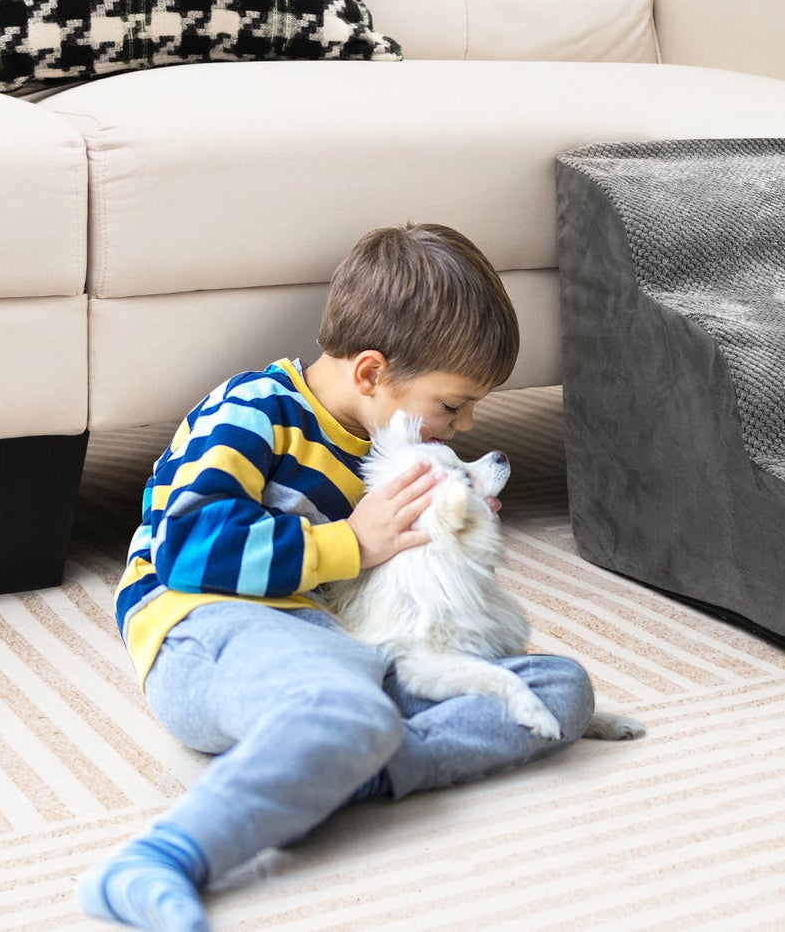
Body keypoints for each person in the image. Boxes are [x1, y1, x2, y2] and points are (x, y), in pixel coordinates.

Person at [77, 224, 594, 932]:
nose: (466, 421)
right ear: (371, 372)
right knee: (345, 706)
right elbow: (188, 549)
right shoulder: (252, 411)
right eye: (451, 403)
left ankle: (350, 767)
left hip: (333, 639)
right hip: (204, 628)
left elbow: (398, 578)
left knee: (558, 688)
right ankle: (161, 857)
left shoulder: (386, 442)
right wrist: (350, 540)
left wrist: (453, 526)